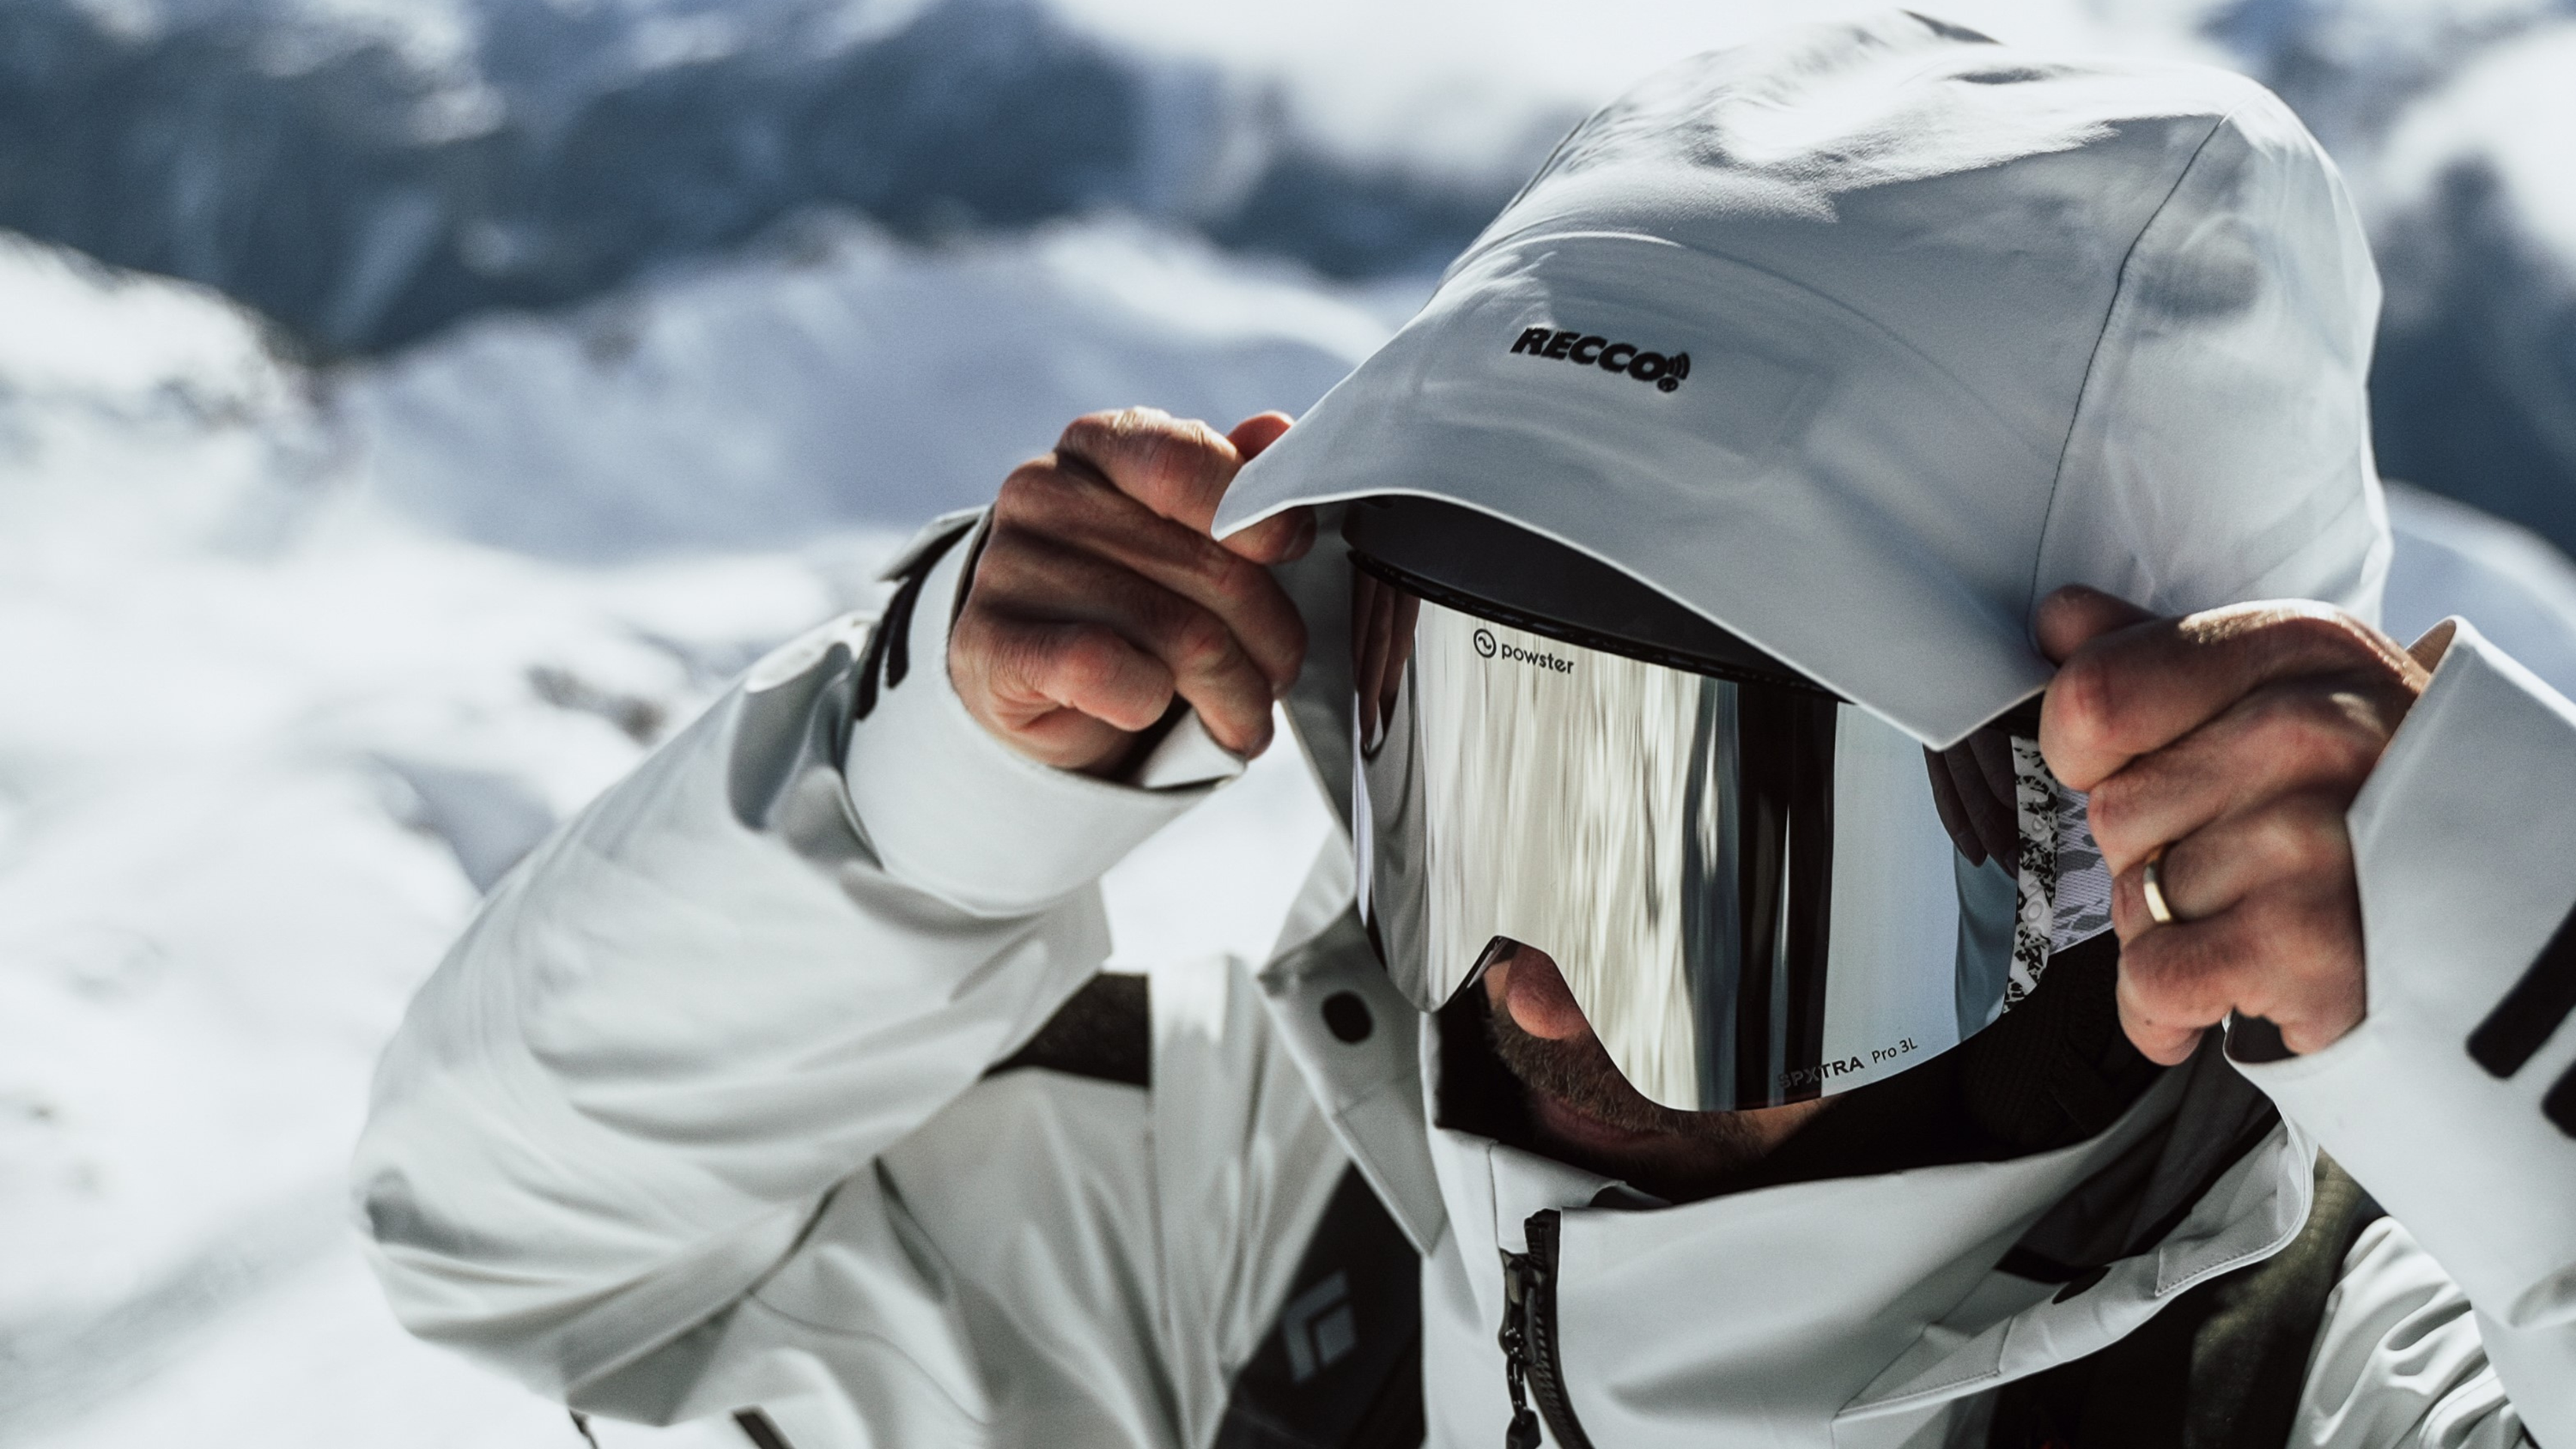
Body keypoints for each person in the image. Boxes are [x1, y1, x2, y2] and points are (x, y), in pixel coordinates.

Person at [354, 15, 2576, 1449]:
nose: (1523, 990)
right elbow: (513, 1237)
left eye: (1716, 866)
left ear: (2104, 858)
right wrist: (916, 798)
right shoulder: (1274, 1206)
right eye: (1479, 785)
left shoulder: (2352, 1374)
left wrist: (2525, 969)